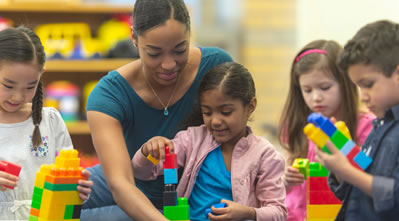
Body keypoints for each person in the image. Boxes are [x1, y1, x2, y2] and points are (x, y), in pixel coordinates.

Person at [81, 0, 233, 220]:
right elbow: (121, 184)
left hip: (194, 195)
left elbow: (239, 143)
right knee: (61, 203)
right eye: (154, 53)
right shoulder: (108, 95)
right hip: (131, 184)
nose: (169, 64)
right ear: (134, 37)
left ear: (190, 34)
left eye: (180, 50)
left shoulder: (216, 67)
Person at [132, 62, 287, 221]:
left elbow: (279, 212)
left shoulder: (265, 155)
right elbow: (143, 173)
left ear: (250, 106)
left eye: (226, 112)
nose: (215, 121)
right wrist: (147, 153)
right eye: (207, 112)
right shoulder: (192, 139)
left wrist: (249, 213)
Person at [0, 26, 93, 220]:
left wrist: (77, 189)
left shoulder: (49, 120)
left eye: (30, 86)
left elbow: (68, 173)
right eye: (8, 86)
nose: (18, 96)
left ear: (41, 74)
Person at [277, 39, 375, 221]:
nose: (316, 97)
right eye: (307, 90)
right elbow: (281, 187)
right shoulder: (297, 125)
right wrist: (287, 181)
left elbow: (368, 175)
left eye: (325, 87)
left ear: (345, 82)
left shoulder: (366, 125)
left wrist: (341, 155)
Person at [316, 20, 399, 221]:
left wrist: (347, 170)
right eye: (358, 87)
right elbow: (360, 177)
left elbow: (395, 194)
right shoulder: (379, 125)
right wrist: (340, 166)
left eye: (368, 85)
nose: (363, 96)